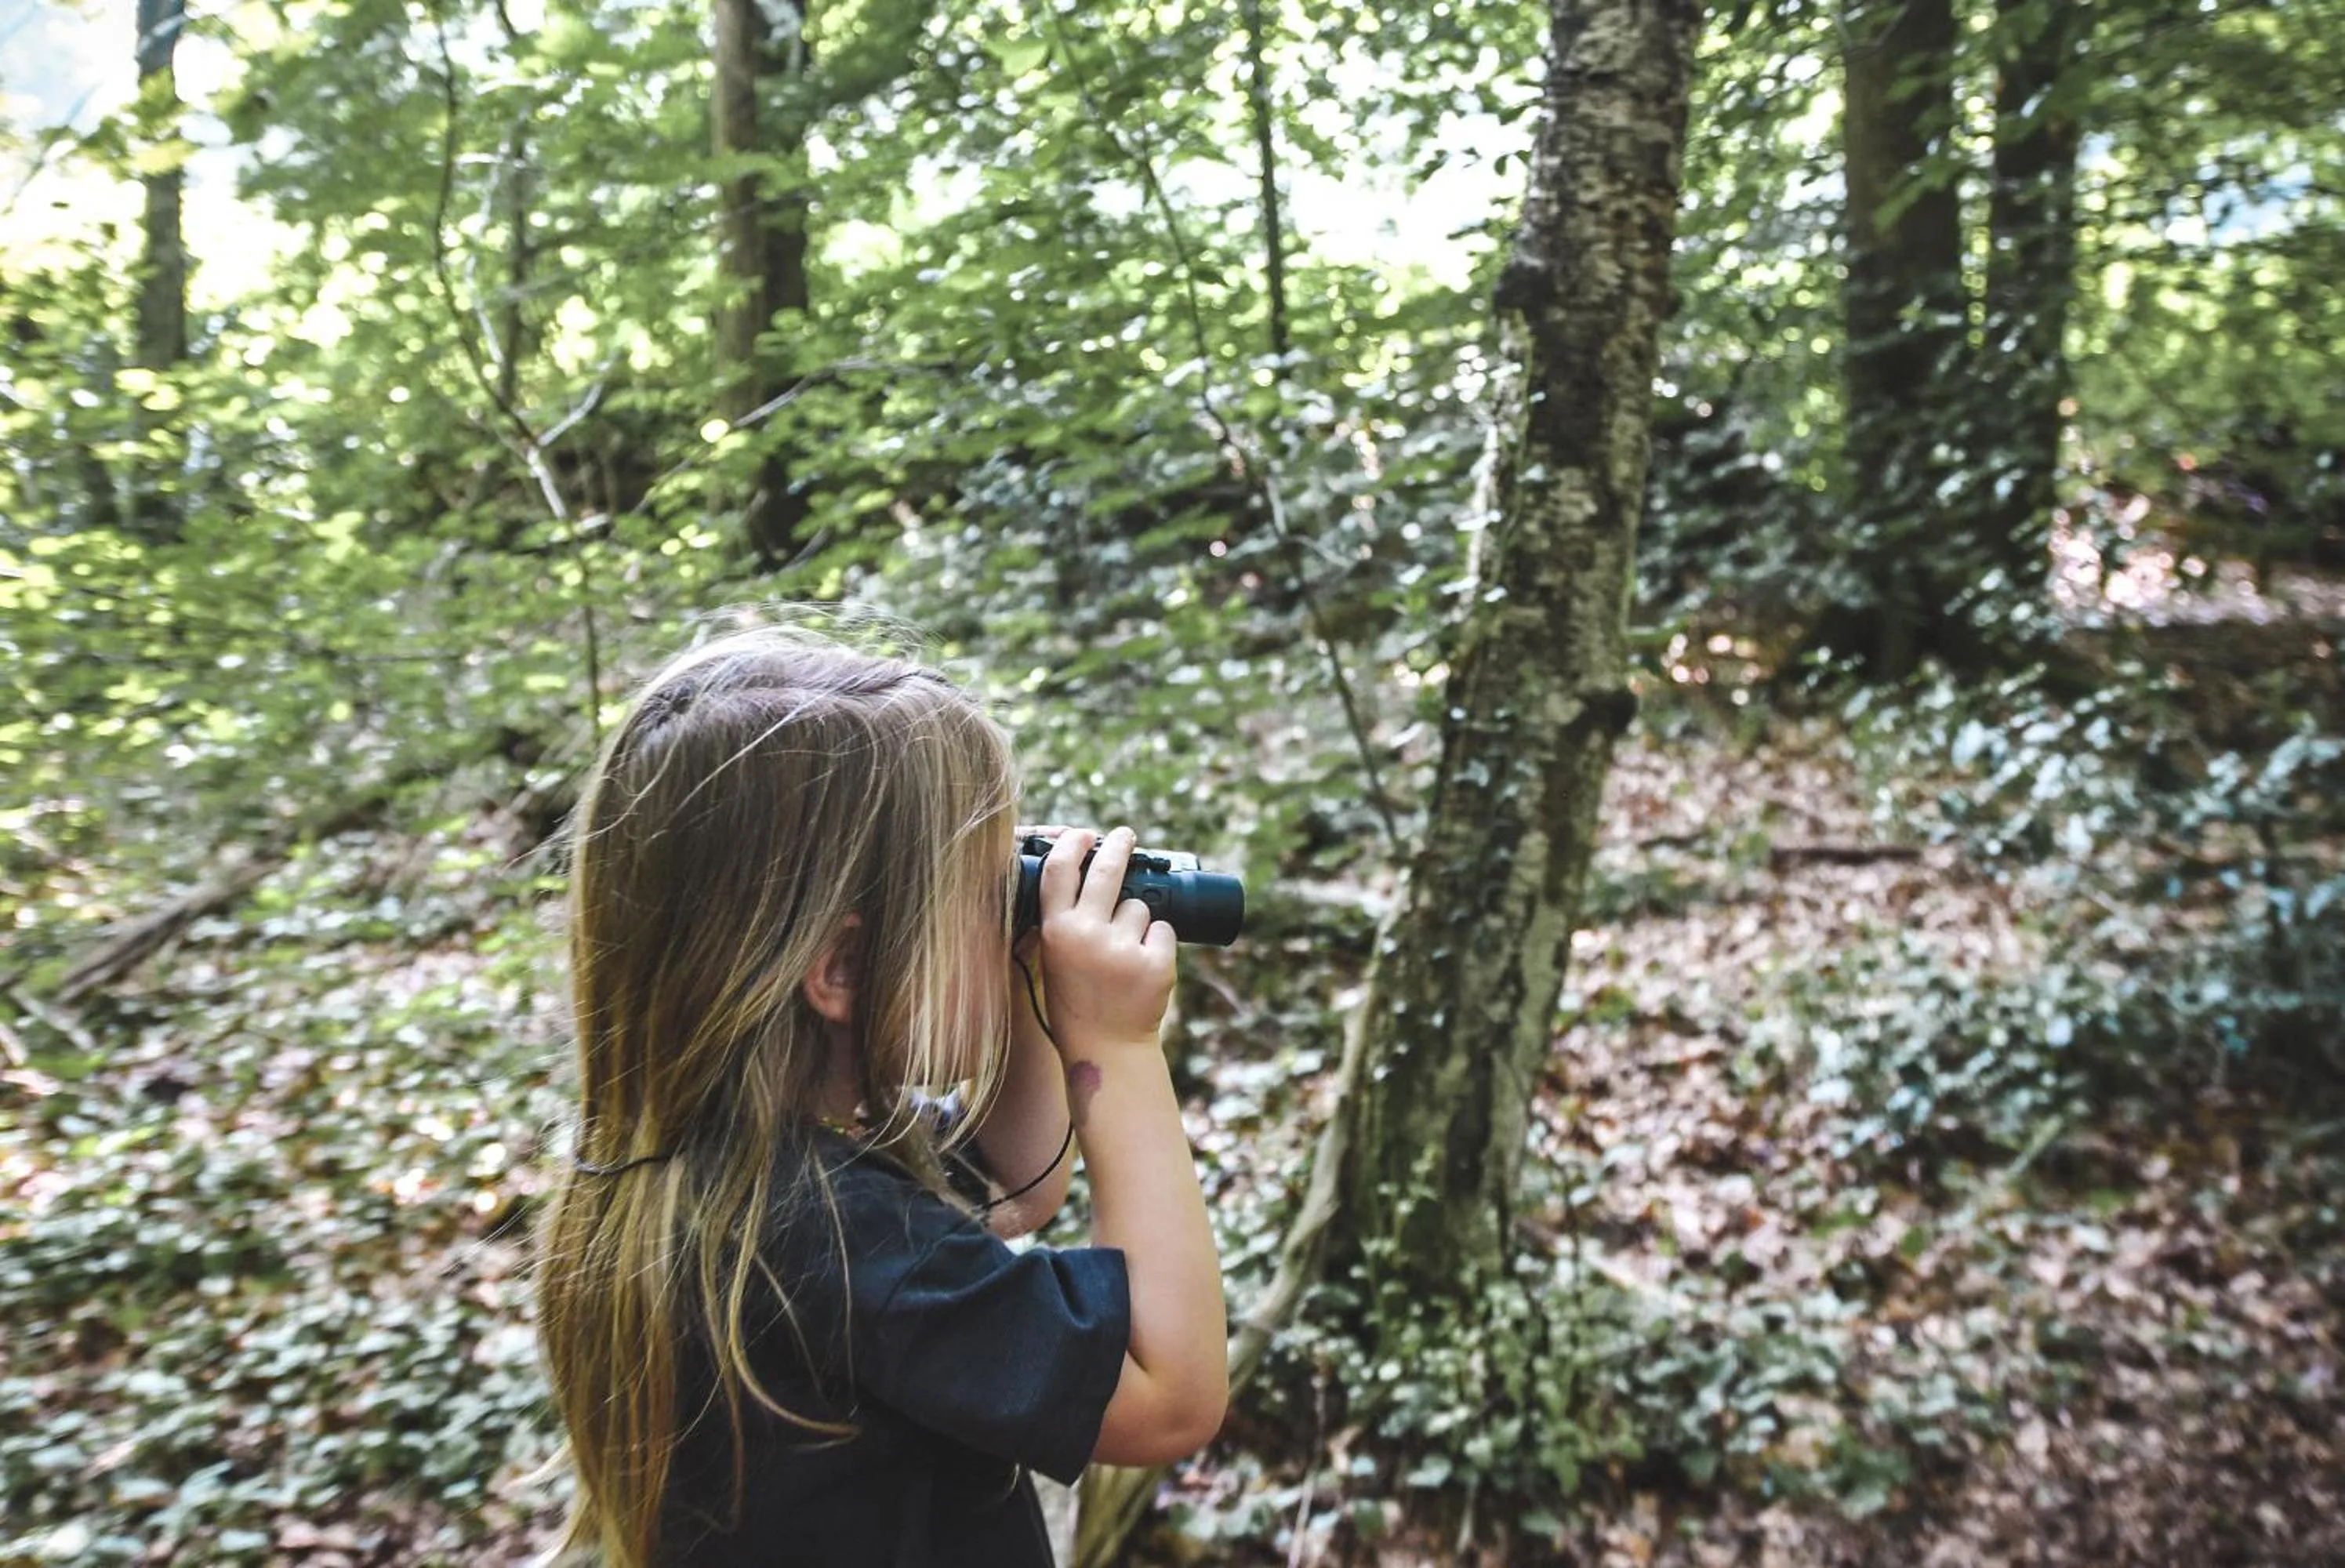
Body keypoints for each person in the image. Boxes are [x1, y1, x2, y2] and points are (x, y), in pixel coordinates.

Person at [532, 621, 1229, 1568]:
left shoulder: (726, 1168)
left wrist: (1032, 976)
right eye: (983, 900)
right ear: (845, 967)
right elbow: (1169, 1393)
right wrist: (1117, 1042)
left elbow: (1010, 1186)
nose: (1007, 918)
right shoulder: (828, 1234)